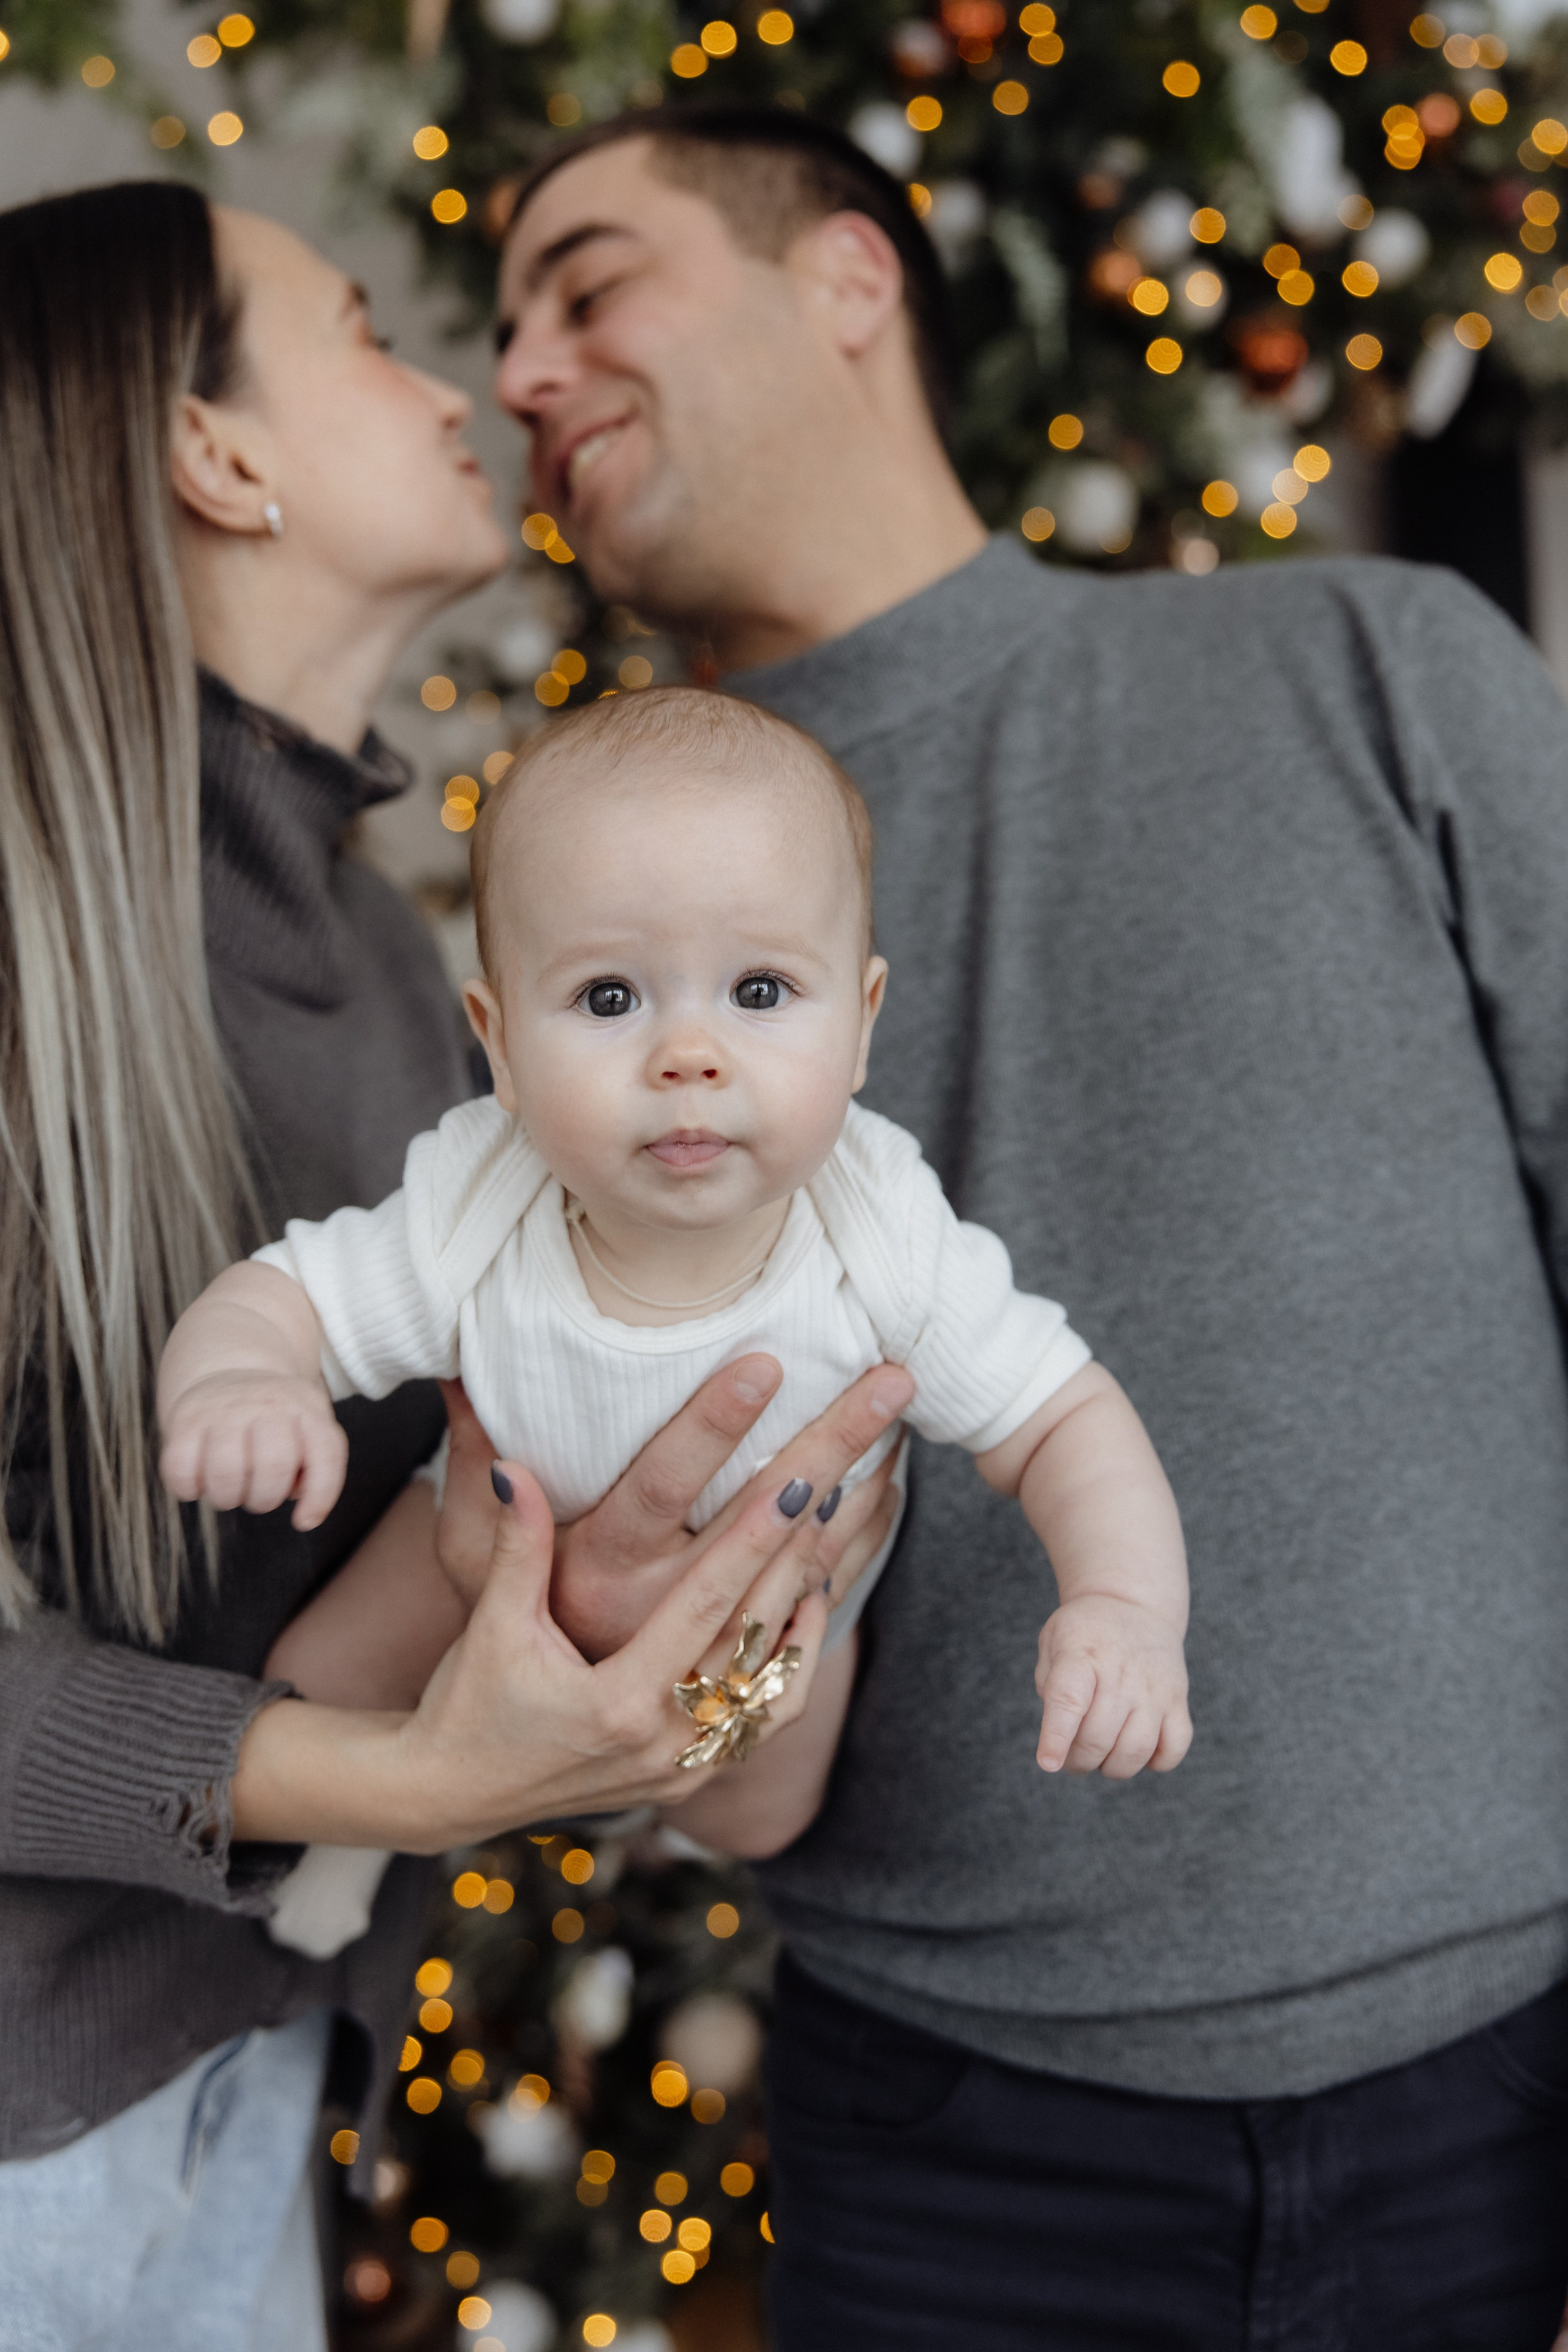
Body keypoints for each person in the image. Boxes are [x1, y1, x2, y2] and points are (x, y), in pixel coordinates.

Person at [494, 104, 1568, 2348]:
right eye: (505, 324)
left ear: (851, 286)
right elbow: (727, 1753)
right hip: (955, 2150)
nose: (518, 371)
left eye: (587, 285)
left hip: (1513, 2076)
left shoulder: (1377, 666)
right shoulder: (573, 946)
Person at [0, 179, 903, 2351]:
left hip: (231, 2073)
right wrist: (392, 1789)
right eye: (369, 330)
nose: (471, 387)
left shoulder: (423, 979)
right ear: (218, 455)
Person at [157, 686, 1190, 1860]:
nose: (687, 1057)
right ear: (497, 1044)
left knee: (761, 1812)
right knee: (313, 1681)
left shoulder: (882, 1228)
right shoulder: (478, 1205)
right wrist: (241, 1379)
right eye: (610, 997)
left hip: (786, 1582)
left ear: (859, 1026)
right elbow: (280, 1296)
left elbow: (1062, 1419)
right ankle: (339, 1882)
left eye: (759, 993)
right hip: (497, 1535)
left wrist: (1124, 1605)